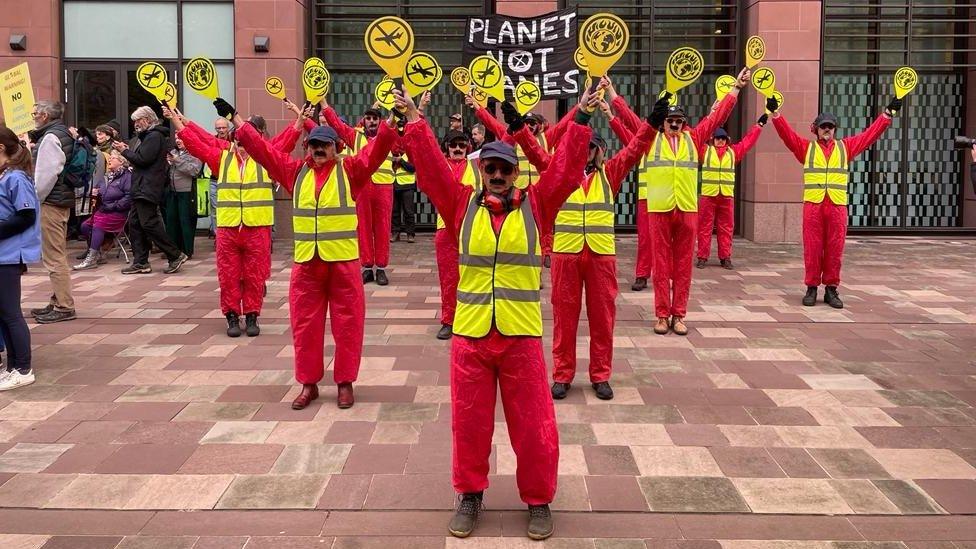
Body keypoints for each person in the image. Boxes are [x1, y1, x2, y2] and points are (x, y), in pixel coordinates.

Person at [399, 84, 596, 541]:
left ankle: (539, 500)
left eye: (505, 168)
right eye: (490, 167)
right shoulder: (459, 205)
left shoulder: (538, 206)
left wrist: (582, 117)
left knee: (534, 425)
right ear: (480, 171)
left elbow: (566, 170)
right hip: (470, 336)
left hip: (520, 336)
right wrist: (413, 118)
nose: (497, 174)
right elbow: (428, 168)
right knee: (469, 423)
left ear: (516, 173)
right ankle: (470, 494)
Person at [229, 97, 397, 410]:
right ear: (307, 146)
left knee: (348, 324)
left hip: (344, 263)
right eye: (313, 145)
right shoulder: (296, 173)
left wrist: (392, 120)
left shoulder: (351, 170)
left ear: (337, 148)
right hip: (307, 265)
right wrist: (237, 120)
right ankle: (309, 384)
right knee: (305, 325)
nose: (318, 150)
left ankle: (345, 382)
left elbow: (376, 152)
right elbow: (264, 153)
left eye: (324, 145)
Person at [615, 67, 751, 335]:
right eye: (670, 120)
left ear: (684, 123)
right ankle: (662, 315)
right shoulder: (651, 140)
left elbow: (717, 117)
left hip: (687, 208)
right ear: (663, 122)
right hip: (659, 208)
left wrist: (736, 88)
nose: (674, 124)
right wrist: (612, 94)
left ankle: (679, 315)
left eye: (678, 120)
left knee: (683, 266)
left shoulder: (695, 138)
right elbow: (630, 120)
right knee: (662, 265)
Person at [549, 97, 657, 402]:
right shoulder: (559, 173)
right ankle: (562, 374)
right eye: (583, 146)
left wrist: (650, 123)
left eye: (592, 147)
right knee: (564, 318)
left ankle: (601, 375)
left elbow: (636, 148)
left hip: (600, 257)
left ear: (599, 151)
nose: (586, 152)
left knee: (602, 318)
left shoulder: (610, 173)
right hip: (566, 255)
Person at [770, 94, 899, 308]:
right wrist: (775, 114)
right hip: (813, 206)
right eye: (823, 126)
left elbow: (870, 135)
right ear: (816, 129)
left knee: (835, 249)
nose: (827, 130)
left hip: (837, 206)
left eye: (830, 126)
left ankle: (831, 289)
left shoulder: (845, 147)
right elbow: (787, 136)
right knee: (812, 248)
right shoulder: (806, 148)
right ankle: (811, 288)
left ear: (835, 129)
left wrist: (887, 114)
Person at [168, 107, 278, 338]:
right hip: (229, 229)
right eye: (239, 143)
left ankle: (251, 314)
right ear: (233, 143)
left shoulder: (264, 157)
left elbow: (287, 139)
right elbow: (197, 143)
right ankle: (231, 315)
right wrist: (178, 122)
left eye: (247, 143)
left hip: (256, 227)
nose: (243, 148)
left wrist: (299, 121)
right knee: (228, 275)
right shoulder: (221, 159)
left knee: (254, 275)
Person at [321, 104, 396, 286]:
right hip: (362, 187)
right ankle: (368, 267)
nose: (372, 121)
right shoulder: (355, 137)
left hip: (383, 187)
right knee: (362, 227)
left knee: (382, 228)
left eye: (375, 118)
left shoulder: (387, 135)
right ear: (364, 121)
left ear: (380, 121)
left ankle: (381, 268)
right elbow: (337, 125)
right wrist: (323, 104)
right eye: (368, 118)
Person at [113, 106, 188, 275]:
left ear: (147, 119)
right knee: (135, 224)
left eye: (138, 121)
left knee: (148, 223)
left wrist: (124, 151)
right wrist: (127, 150)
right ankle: (141, 262)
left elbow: (143, 160)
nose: (135, 125)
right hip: (142, 186)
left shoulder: (154, 136)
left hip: (147, 187)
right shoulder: (149, 136)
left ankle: (174, 255)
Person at [26, 100, 76, 324]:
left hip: (52, 203)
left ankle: (64, 306)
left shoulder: (50, 138)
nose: (33, 115)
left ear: (45, 116)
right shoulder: (62, 133)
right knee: (57, 253)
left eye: (35, 112)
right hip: (60, 201)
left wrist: (36, 199)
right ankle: (58, 300)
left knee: (54, 257)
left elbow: (46, 176)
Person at [0, 126, 42, 391]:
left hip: (8, 255)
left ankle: (24, 368)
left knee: (11, 313)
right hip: (3, 253)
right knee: (4, 314)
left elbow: (26, 216)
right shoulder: (7, 176)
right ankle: (13, 366)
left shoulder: (15, 178)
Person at [695, 117, 766, 270]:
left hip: (726, 197)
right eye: (717, 138)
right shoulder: (705, 151)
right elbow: (695, 137)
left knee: (726, 228)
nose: (720, 141)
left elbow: (748, 141)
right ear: (712, 139)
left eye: (723, 139)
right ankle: (702, 257)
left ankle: (725, 257)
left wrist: (759, 126)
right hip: (708, 196)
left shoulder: (733, 153)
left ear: (727, 140)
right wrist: (711, 115)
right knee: (704, 227)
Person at [433, 129, 481, 340]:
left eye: (462, 145)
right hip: (445, 229)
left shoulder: (477, 165)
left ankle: (472, 317)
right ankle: (449, 320)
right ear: (446, 147)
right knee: (449, 278)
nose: (458, 149)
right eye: (453, 145)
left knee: (475, 276)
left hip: (472, 227)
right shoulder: (439, 166)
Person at [73, 150, 132, 270]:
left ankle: (91, 258)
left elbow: (129, 196)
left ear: (121, 162)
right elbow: (101, 189)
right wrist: (97, 191)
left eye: (113, 158)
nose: (109, 159)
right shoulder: (106, 177)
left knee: (98, 226)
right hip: (104, 210)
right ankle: (98, 252)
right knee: (84, 226)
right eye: (109, 158)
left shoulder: (127, 177)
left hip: (117, 213)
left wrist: (115, 206)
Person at [165, 137, 202, 259]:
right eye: (176, 139)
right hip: (172, 192)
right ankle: (174, 251)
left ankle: (187, 251)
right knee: (172, 222)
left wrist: (177, 161)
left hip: (186, 192)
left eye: (181, 138)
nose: (178, 141)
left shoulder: (195, 153)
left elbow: (195, 171)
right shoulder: (174, 152)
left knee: (186, 222)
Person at [208, 117, 233, 236]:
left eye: (223, 127)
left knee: (230, 208)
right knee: (215, 209)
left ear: (228, 128)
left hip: (230, 180)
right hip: (215, 179)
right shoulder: (212, 141)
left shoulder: (234, 141)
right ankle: (218, 236)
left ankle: (229, 235)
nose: (221, 130)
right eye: (218, 128)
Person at [390, 146, 416, 243]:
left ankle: (410, 234)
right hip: (394, 183)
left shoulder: (411, 153)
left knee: (408, 211)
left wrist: (401, 161)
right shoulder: (391, 154)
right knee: (394, 211)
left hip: (407, 185)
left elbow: (413, 168)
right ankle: (395, 233)